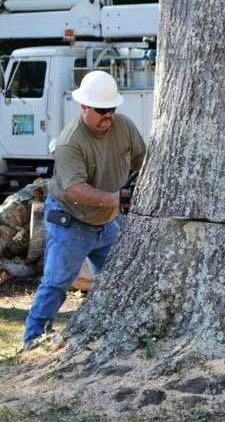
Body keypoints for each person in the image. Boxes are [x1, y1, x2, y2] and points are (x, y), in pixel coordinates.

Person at [23, 70, 146, 350]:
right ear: (84, 107)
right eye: (102, 110)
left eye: (112, 109)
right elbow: (76, 190)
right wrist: (118, 198)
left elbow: (142, 159)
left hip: (105, 223)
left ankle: (120, 332)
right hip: (71, 222)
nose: (108, 116)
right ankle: (32, 341)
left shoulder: (123, 127)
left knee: (121, 279)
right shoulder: (70, 142)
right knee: (56, 283)